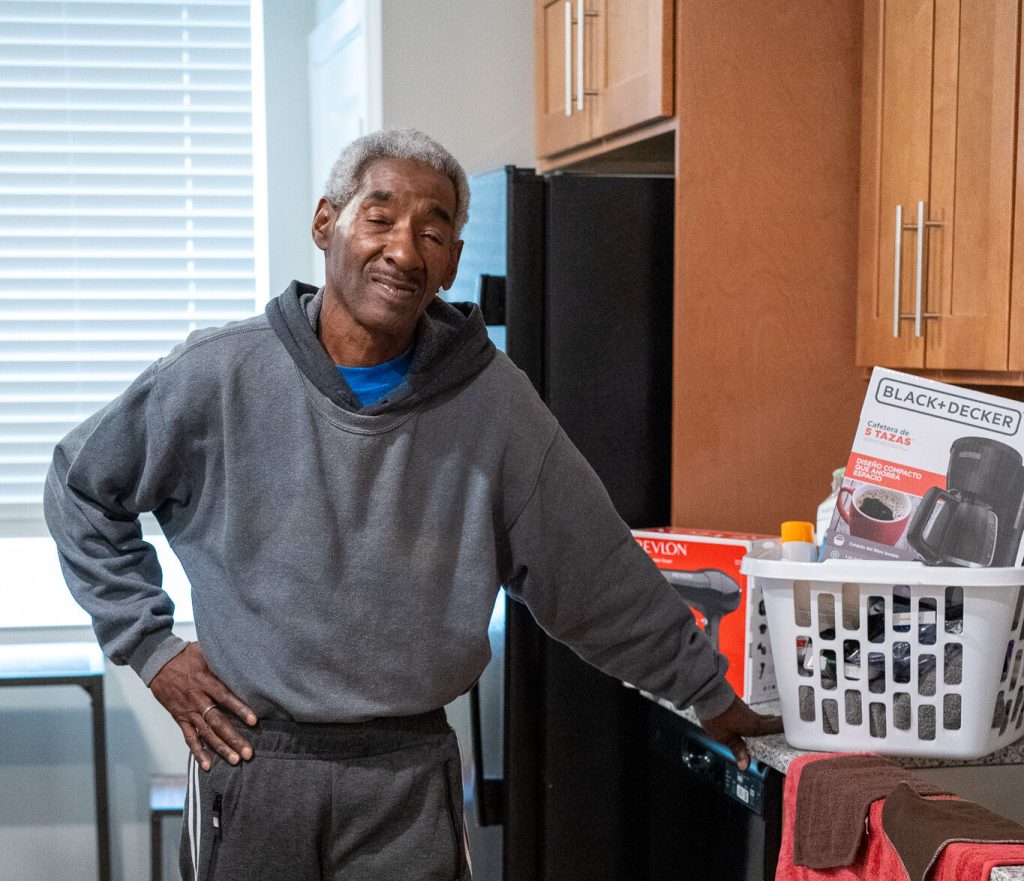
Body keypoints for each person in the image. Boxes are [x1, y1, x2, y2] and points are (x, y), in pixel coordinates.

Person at [44, 128, 782, 881]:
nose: (405, 249)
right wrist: (150, 645)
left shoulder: (494, 404)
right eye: (381, 216)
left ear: (453, 262)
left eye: (433, 231)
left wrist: (707, 692)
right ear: (326, 222)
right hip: (252, 760)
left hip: (409, 778)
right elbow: (80, 485)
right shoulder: (219, 374)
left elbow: (592, 569)